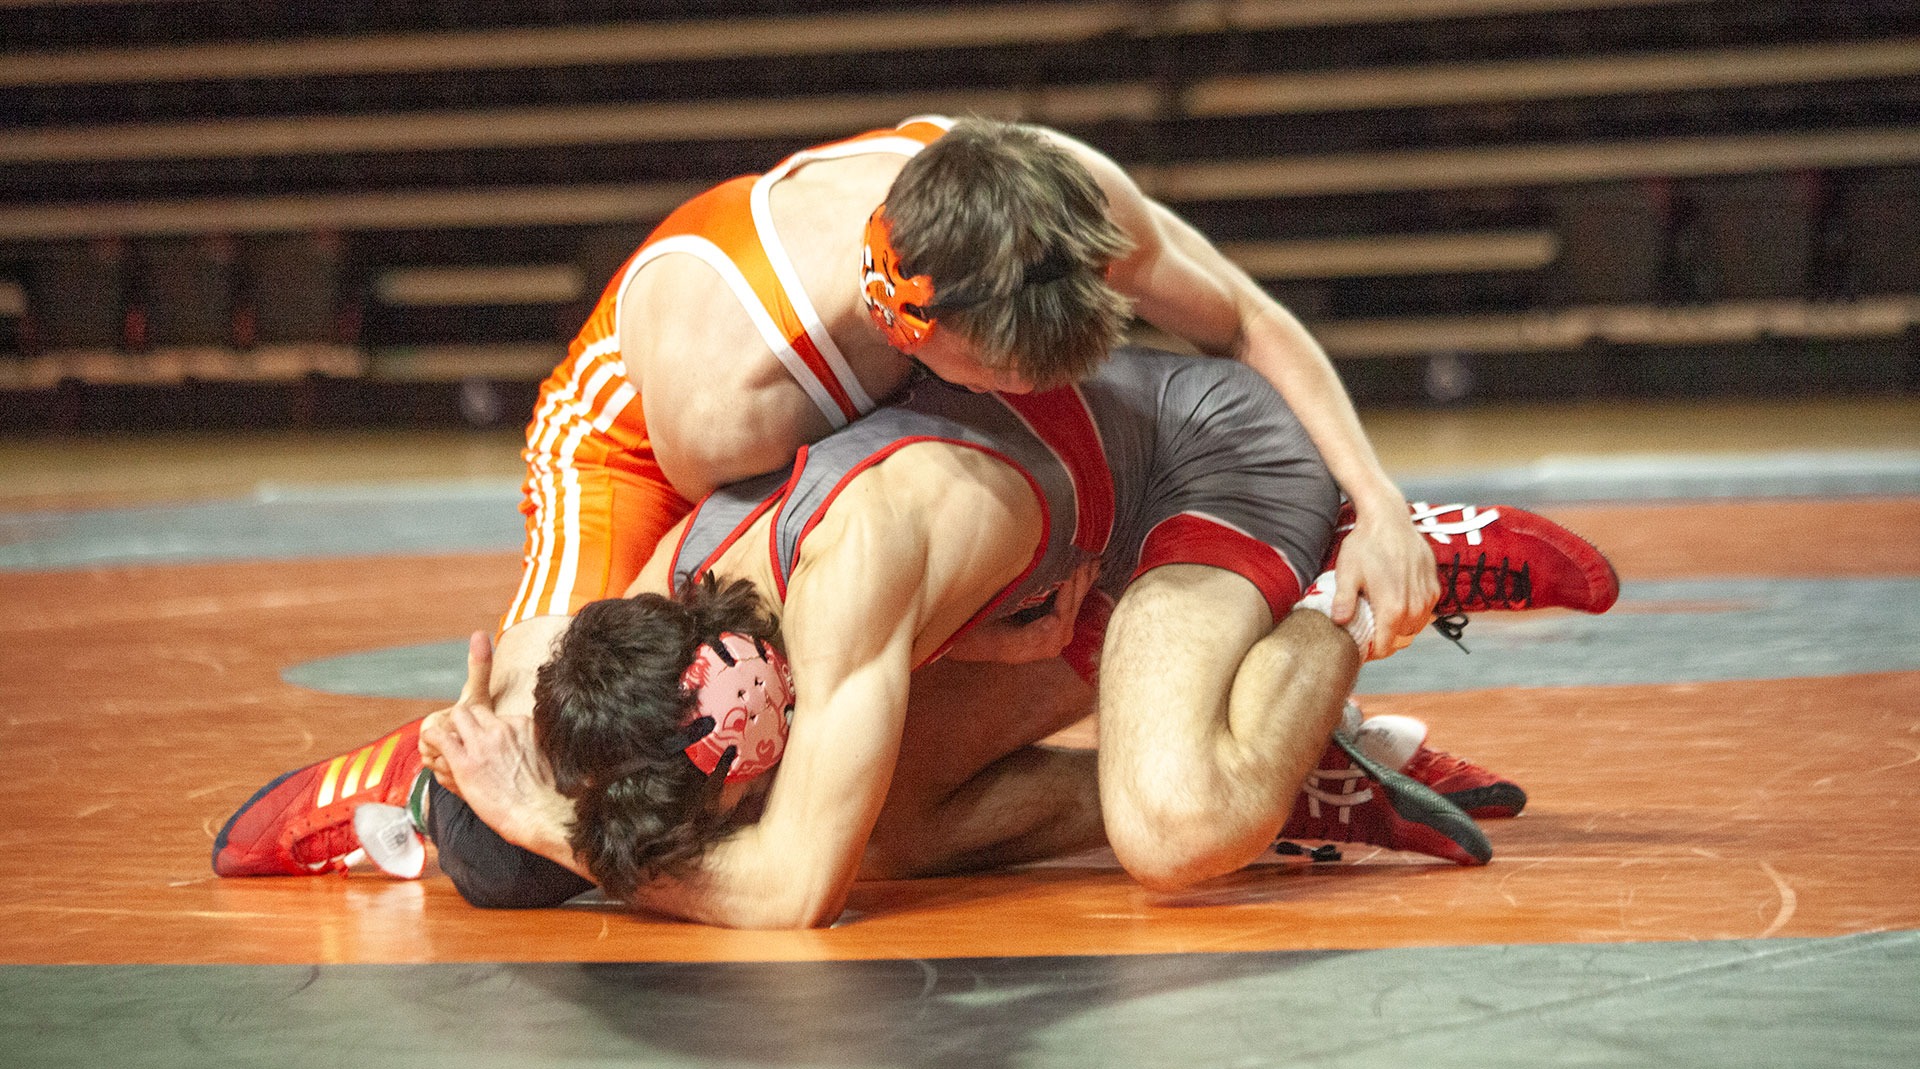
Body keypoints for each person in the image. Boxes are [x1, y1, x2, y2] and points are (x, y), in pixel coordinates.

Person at [209, 112, 1471, 882]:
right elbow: (808, 554)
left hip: (926, 455)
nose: (1045, 390)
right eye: (1011, 376)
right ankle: (400, 785)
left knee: (825, 743)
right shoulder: (740, 393)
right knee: (596, 720)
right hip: (631, 437)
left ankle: (1228, 735)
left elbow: (1244, 316)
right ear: (916, 334)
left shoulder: (1036, 199)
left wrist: (1380, 497)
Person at [398, 349, 1619, 924]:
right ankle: (1303, 780)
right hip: (1058, 572)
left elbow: (790, 898)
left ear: (741, 741)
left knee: (1176, 831)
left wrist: (544, 824)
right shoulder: (656, 613)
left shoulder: (851, 579)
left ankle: (1361, 578)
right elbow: (503, 722)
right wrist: (481, 787)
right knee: (891, 822)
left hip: (1199, 473)